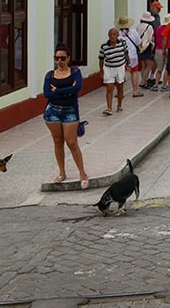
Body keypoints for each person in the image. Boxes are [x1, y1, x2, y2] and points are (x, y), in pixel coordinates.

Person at [43, 44, 89, 188]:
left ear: (68, 59)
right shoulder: (50, 75)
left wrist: (58, 90)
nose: (59, 61)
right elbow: (47, 93)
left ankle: (82, 173)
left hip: (70, 111)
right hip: (52, 111)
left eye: (62, 58)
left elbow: (77, 87)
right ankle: (62, 172)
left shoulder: (75, 72)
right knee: (57, 141)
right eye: (57, 58)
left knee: (72, 142)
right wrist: (66, 91)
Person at [98, 27, 128, 115]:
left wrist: (128, 64)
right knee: (109, 88)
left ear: (117, 36)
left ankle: (119, 105)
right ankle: (109, 108)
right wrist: (101, 71)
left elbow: (126, 54)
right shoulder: (104, 46)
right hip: (108, 68)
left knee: (120, 86)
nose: (112, 36)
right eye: (110, 35)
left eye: (114, 34)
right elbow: (101, 59)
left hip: (119, 67)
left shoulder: (122, 43)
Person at [116, 16, 144, 99]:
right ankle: (135, 91)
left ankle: (120, 92)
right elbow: (139, 42)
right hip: (133, 55)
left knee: (121, 74)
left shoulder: (117, 33)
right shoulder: (133, 32)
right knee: (134, 72)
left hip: (122, 56)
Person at [136, 11, 156, 89]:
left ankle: (143, 80)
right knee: (149, 66)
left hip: (140, 47)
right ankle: (143, 81)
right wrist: (152, 48)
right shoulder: (149, 27)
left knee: (143, 65)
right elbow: (151, 39)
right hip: (148, 47)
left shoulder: (138, 26)